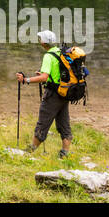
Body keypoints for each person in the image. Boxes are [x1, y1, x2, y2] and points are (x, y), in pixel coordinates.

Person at [16, 29, 72, 158]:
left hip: (52, 95)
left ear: (43, 43)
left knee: (43, 121)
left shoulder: (48, 56)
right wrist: (43, 75)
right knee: (64, 123)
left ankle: (30, 151)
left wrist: (26, 80)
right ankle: (65, 153)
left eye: (40, 39)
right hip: (64, 93)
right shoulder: (60, 52)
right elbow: (56, 73)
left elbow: (45, 78)